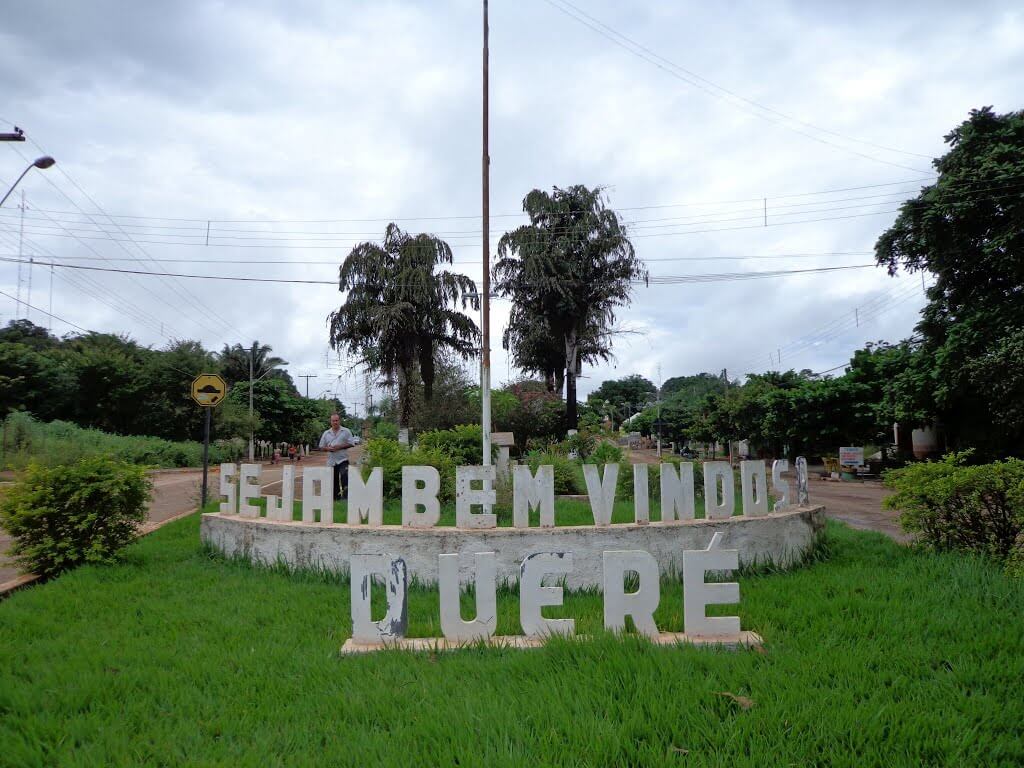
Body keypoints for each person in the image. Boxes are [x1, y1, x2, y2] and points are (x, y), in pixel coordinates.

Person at [316, 413, 354, 500]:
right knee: (333, 480)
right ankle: (336, 499)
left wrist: (339, 447)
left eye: (337, 420)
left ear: (339, 421)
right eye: (333, 421)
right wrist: (328, 448)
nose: (335, 422)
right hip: (331, 461)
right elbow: (321, 447)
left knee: (345, 478)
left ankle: (346, 498)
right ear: (331, 422)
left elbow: (351, 443)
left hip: (343, 459)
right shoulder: (326, 433)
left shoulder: (346, 431)